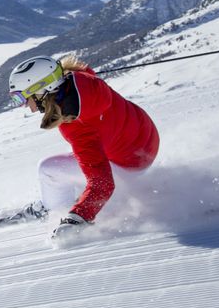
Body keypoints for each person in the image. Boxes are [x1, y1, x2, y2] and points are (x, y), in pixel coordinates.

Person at [8, 55, 160, 237]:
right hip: (143, 137)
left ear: (42, 90)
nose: (27, 107)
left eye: (22, 98)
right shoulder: (80, 82)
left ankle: (55, 209)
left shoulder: (77, 124)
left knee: (48, 169)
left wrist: (77, 218)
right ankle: (68, 196)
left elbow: (102, 184)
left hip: (131, 161)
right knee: (81, 158)